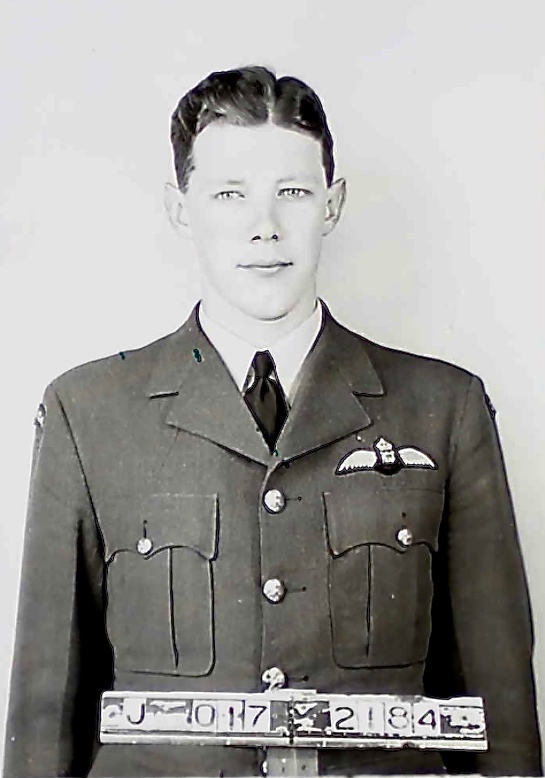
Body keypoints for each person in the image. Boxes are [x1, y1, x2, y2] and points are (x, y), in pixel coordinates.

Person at [3, 66, 542, 778]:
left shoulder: (444, 408)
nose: (264, 228)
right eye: (230, 194)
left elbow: (497, 717)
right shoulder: (88, 412)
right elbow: (43, 720)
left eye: (292, 192)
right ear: (179, 208)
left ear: (332, 204)